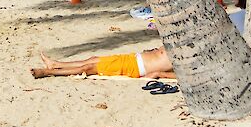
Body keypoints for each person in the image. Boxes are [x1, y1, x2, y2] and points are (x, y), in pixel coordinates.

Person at [31, 46, 175, 79]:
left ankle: (47, 72)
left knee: (89, 68)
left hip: (136, 67)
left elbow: (183, 75)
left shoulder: (189, 57)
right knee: (92, 60)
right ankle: (55, 64)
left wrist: (159, 73)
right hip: (132, 58)